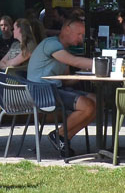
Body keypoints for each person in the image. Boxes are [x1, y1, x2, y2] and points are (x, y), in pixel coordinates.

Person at [27, 17, 95, 155]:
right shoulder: (51, 44)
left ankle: (63, 138)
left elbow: (65, 80)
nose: (81, 39)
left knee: (96, 100)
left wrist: (81, 76)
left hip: (54, 89)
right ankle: (59, 134)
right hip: (41, 92)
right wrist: (104, 64)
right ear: (66, 29)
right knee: (87, 105)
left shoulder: (63, 50)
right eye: (79, 34)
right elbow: (74, 61)